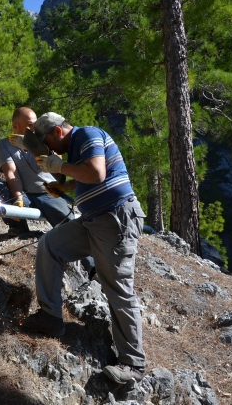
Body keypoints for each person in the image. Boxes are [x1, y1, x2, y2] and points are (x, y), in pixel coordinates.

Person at [22, 112, 147, 384]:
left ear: (57, 131)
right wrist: (64, 186)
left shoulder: (87, 134)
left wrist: (60, 166)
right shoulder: (77, 147)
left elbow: (97, 173)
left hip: (115, 219)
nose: (50, 151)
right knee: (50, 244)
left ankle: (133, 365)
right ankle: (50, 317)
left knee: (117, 288)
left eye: (48, 144)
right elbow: (84, 178)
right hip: (93, 221)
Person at [0, 107, 73, 233]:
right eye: (30, 125)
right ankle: (18, 229)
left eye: (36, 124)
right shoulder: (3, 145)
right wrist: (18, 199)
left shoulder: (44, 137)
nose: (34, 129)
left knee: (69, 228)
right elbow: (11, 173)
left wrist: (34, 146)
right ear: (15, 126)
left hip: (49, 192)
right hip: (25, 193)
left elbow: (57, 160)